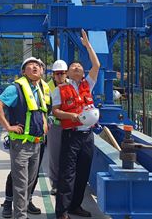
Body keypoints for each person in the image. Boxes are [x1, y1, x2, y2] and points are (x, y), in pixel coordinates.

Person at [0, 57, 50, 219]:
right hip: (21, 144)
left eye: (38, 65)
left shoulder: (39, 89)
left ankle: (20, 212)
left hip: (36, 143)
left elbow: (40, 111)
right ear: (23, 71)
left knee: (29, 183)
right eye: (30, 65)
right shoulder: (16, 88)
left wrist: (44, 122)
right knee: (21, 184)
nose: (35, 67)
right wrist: (8, 127)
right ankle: (20, 216)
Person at [52, 30, 101, 219]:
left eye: (80, 66)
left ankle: (75, 206)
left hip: (87, 136)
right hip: (71, 134)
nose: (77, 67)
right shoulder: (60, 89)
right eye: (74, 66)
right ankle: (62, 211)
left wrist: (87, 46)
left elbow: (96, 64)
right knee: (67, 174)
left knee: (83, 172)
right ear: (67, 72)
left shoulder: (87, 84)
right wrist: (73, 116)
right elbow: (55, 111)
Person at [46, 60, 68, 195]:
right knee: (54, 156)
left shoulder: (71, 85)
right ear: (53, 74)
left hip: (70, 124)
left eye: (62, 73)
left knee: (69, 156)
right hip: (54, 124)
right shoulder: (46, 87)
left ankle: (66, 182)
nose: (60, 76)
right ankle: (55, 183)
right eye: (57, 73)